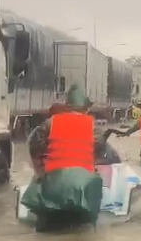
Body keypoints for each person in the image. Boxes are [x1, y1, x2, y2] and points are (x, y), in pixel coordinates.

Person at [22, 86, 104, 232]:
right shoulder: (93, 126)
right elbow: (99, 152)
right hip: (82, 189)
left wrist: (40, 171)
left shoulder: (51, 122)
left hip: (54, 186)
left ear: (67, 105)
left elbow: (34, 147)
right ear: (85, 108)